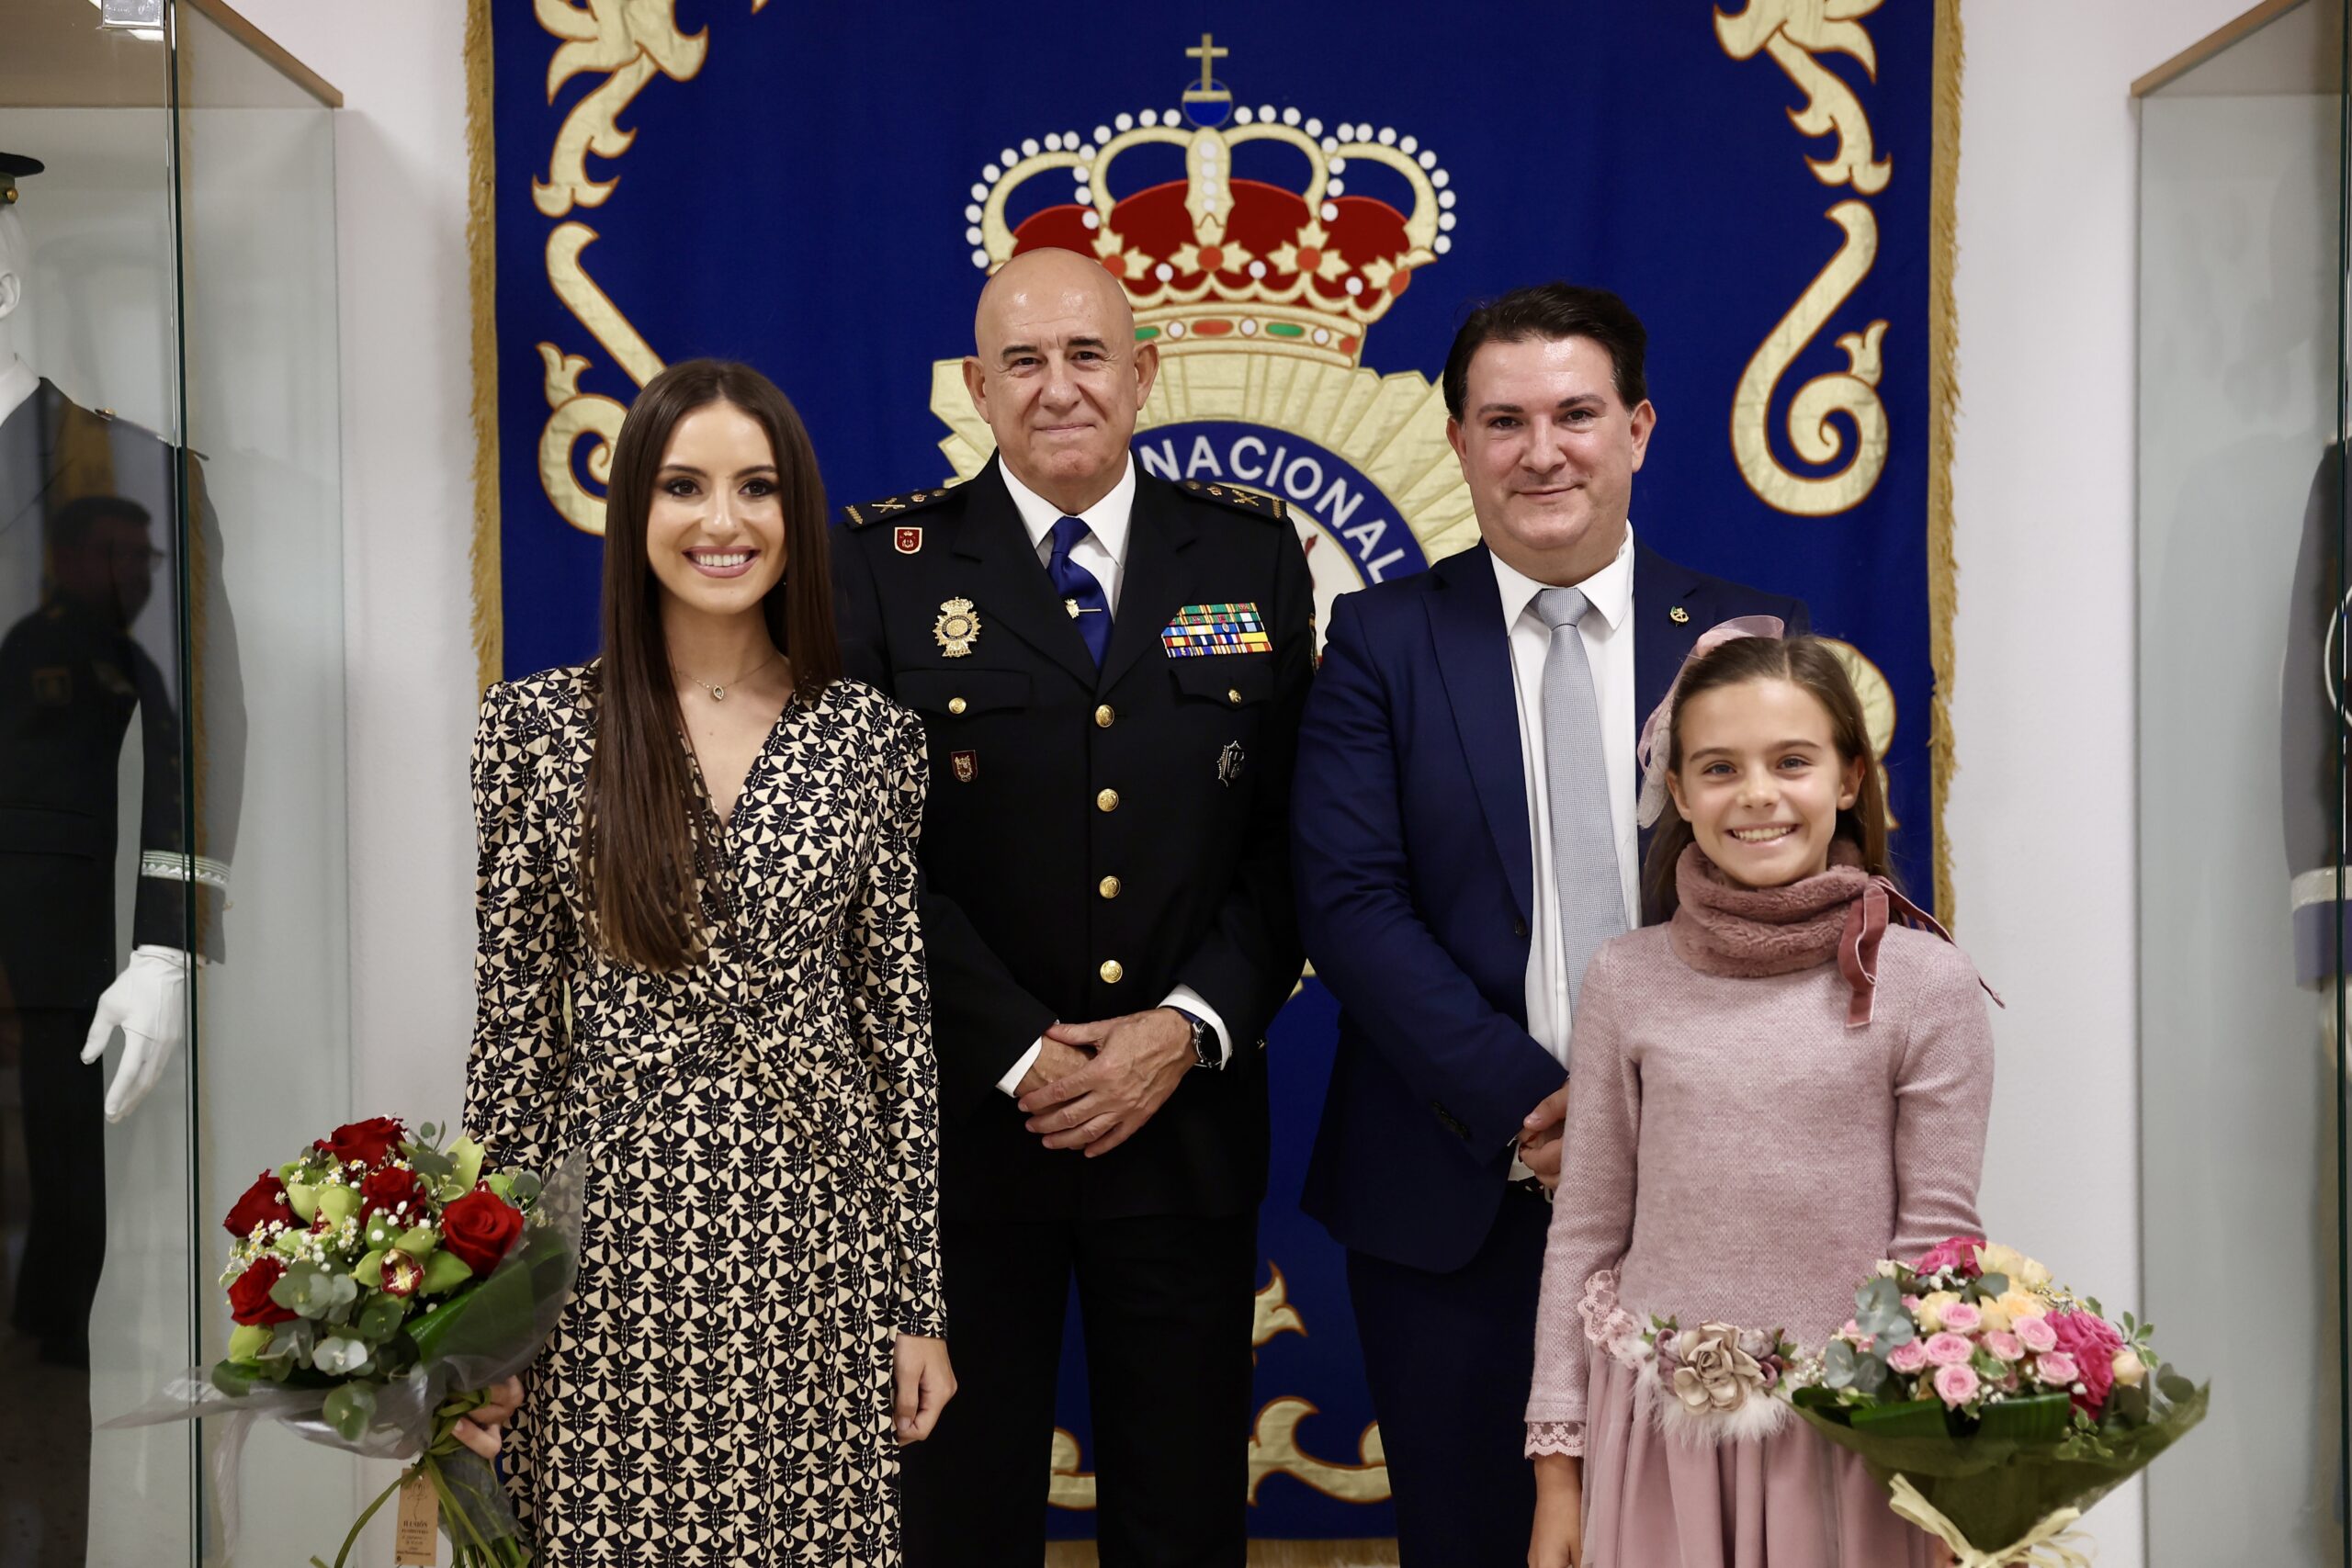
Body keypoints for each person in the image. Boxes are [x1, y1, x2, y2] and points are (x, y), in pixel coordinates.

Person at [1291, 282, 1807, 1562]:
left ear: (1637, 427)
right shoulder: (1378, 640)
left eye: (1576, 413)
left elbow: (1795, 901)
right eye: (1504, 420)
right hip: (1457, 1192)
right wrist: (1542, 1111)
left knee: (1712, 1537)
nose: (1543, 451)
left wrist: (1650, 1120)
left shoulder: (1746, 637)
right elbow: (1350, 905)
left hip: (1713, 1193)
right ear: (1460, 443)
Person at [832, 245, 1311, 1565]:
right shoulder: (884, 565)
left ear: (1144, 372)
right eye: (1024, 363)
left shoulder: (1253, 555)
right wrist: (1020, 1046)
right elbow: (865, 861)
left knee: (1184, 1521)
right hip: (968, 1143)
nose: (1059, 388)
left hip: (1184, 1128)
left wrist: (1186, 1024)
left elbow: (1291, 843)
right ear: (978, 388)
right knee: (961, 1520)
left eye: (1087, 354)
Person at [458, 358, 953, 1566]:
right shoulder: (531, 730)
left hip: (814, 1258)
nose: (722, 521)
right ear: (633, 509)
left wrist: (915, 1306)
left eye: (757, 487)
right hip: (604, 1262)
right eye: (684, 485)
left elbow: (898, 1035)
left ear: (798, 516)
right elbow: (514, 1035)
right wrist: (477, 1311)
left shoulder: (872, 738)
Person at [1525, 630, 1993, 1566]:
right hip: (1654, 1445)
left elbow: (1937, 1243)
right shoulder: (1624, 979)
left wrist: (1940, 1465)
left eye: (1791, 761)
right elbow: (1584, 1229)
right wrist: (1557, 1477)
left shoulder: (1928, 985)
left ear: (1850, 777)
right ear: (1680, 793)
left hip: (1853, 1443)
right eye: (1718, 767)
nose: (1756, 794)